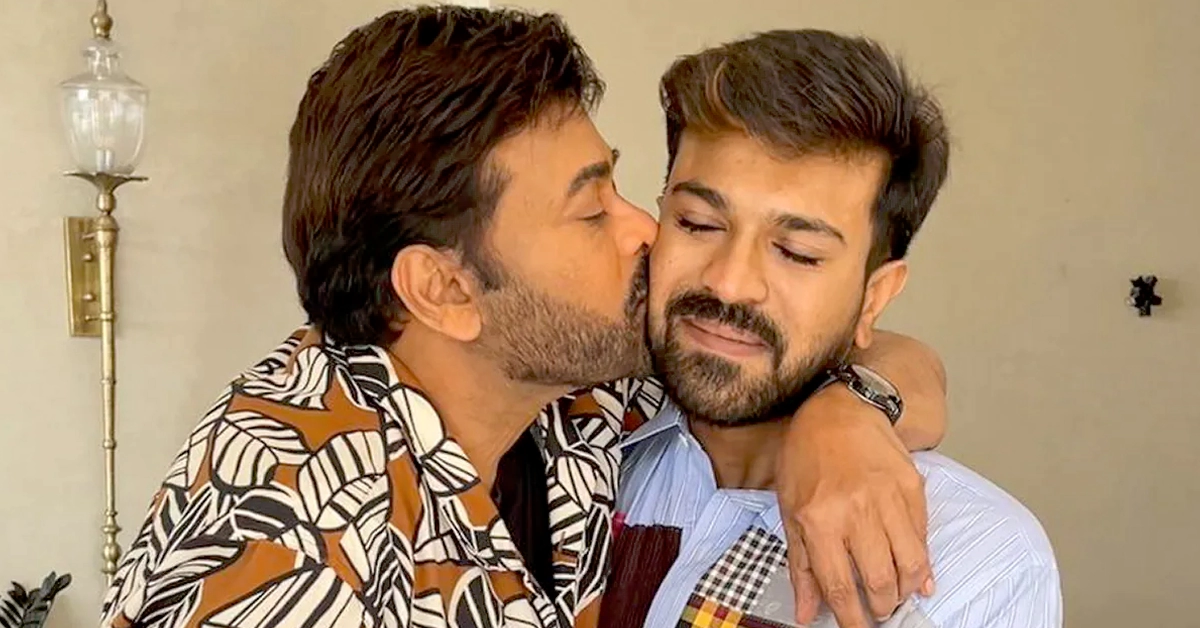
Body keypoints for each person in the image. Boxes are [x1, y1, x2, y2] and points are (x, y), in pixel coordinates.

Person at [99, 8, 948, 628]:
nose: (644, 232)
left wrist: (849, 409)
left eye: (619, 185)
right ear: (446, 289)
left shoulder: (568, 397)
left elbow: (851, 353)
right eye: (591, 212)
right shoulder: (294, 552)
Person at [602, 29, 1062, 628]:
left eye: (797, 252)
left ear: (874, 297)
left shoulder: (973, 562)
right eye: (698, 223)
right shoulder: (570, 439)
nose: (730, 282)